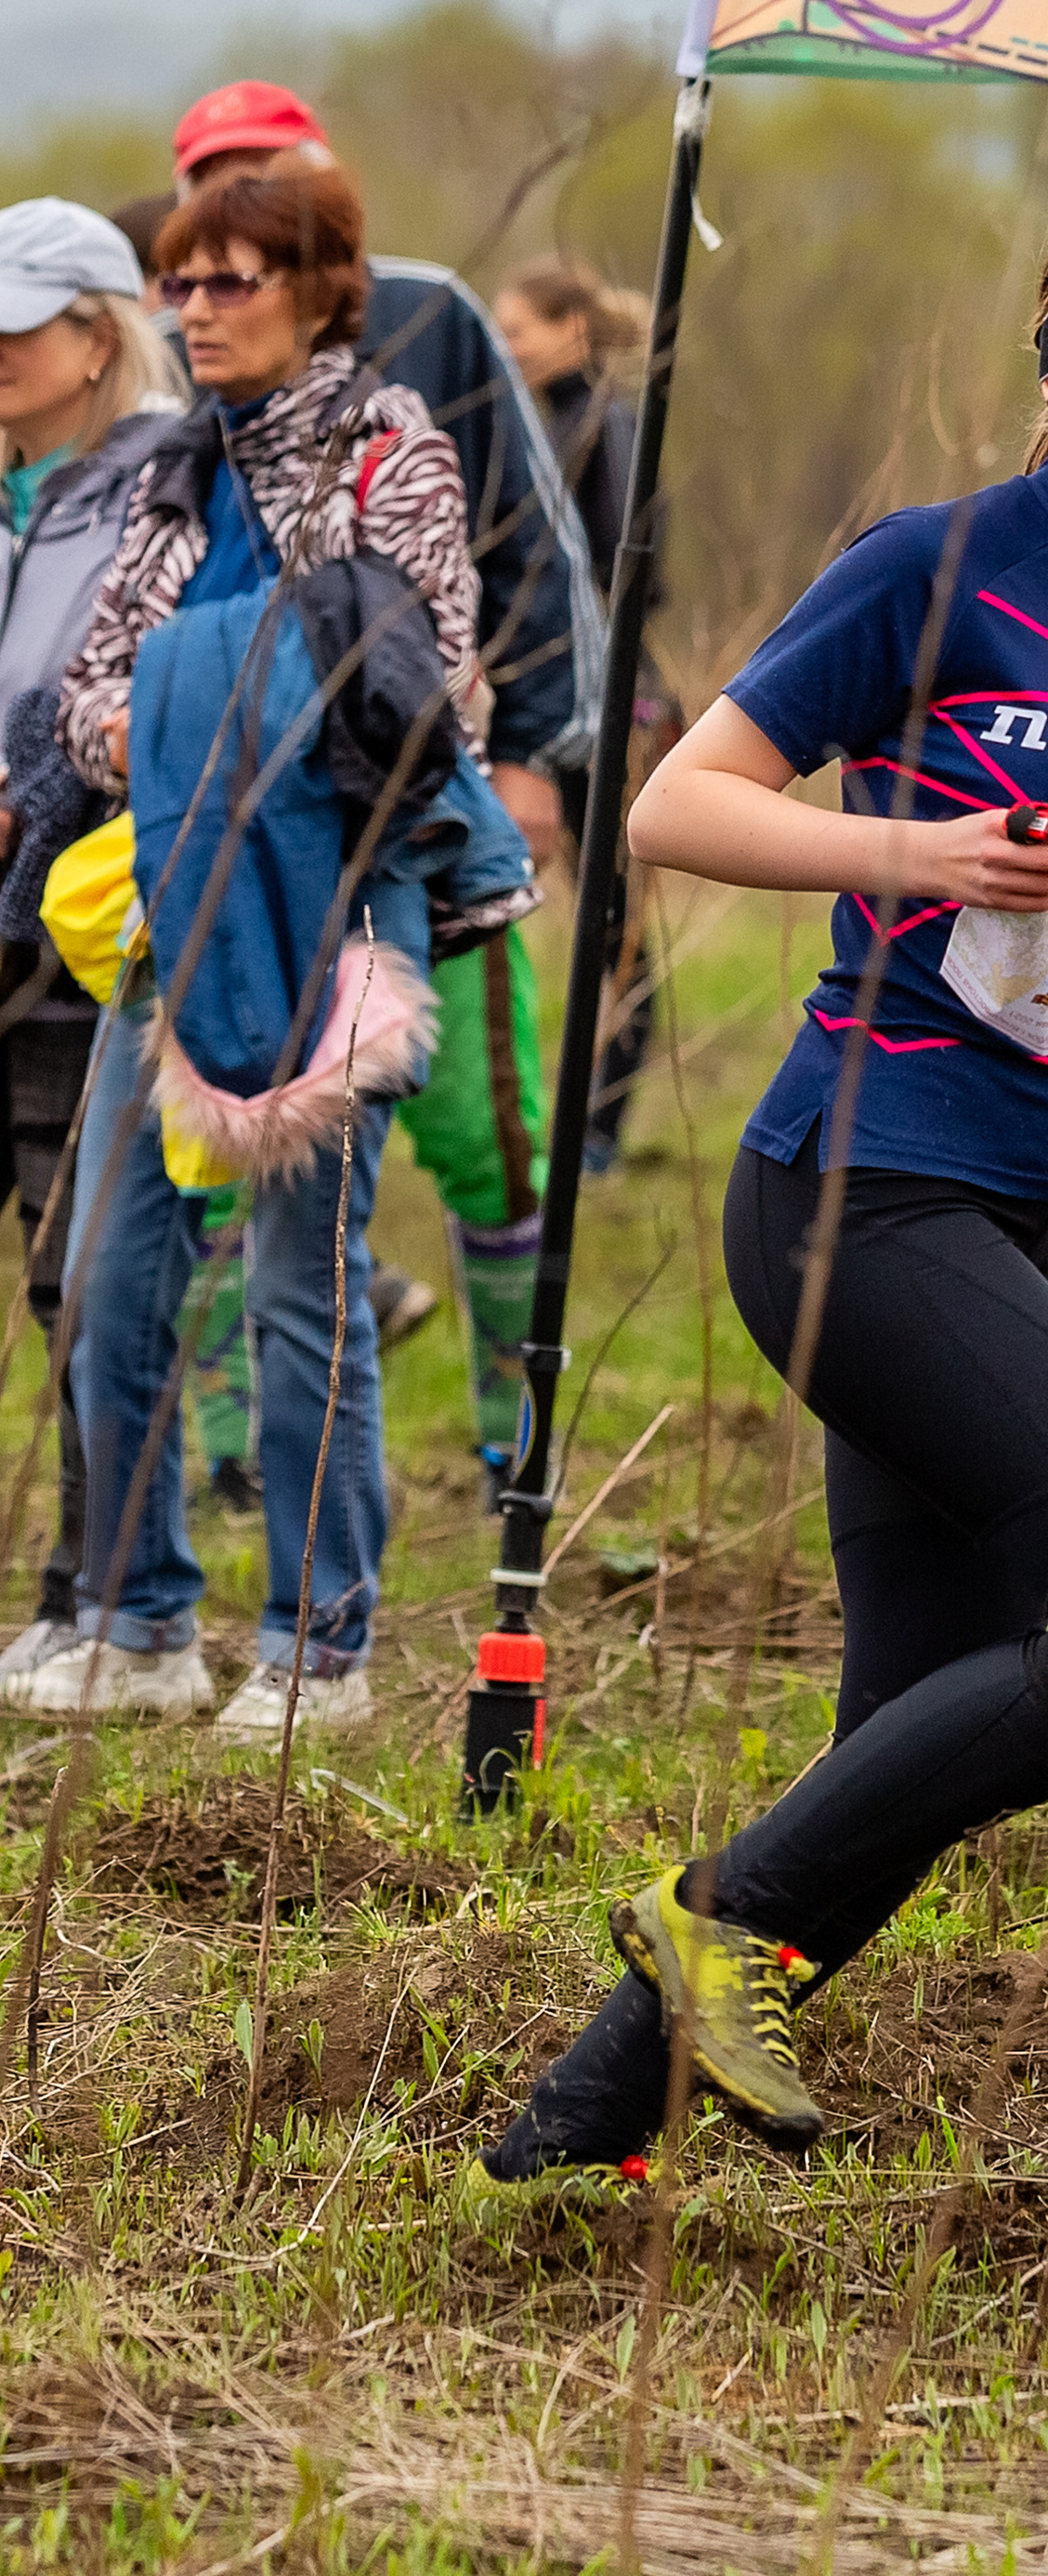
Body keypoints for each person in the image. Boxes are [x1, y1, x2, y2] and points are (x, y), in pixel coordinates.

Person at [471, 175, 1048, 2193]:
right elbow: (672, 805)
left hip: (1022, 1212)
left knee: (905, 1724)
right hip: (853, 1191)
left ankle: (568, 2141)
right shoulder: (939, 568)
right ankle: (709, 1913)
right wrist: (924, 858)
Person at [2, 155, 508, 1733]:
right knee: (109, 1269)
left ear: (318, 291)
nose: (196, 308)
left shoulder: (386, 450)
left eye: (231, 279)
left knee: (307, 1281)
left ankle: (318, 1643)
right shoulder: (179, 467)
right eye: (182, 279)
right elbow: (89, 696)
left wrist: (197, 703)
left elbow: (426, 690)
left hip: (334, 909)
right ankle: (141, 1619)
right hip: (170, 905)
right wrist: (221, 703)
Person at [168, 85, 604, 1492]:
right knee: (240, 1121)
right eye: (210, 191)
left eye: (265, 183)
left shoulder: (428, 321)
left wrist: (536, 753)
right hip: (237, 837)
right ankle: (240, 1451)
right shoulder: (187, 348)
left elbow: (529, 542)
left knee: (489, 1133)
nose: (234, 233)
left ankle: (512, 1443)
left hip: (431, 808)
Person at [0, 203, 183, 1689]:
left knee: (85, 1270)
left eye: (25, 319)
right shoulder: (13, 486)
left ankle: (101, 1592)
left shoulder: (159, 491)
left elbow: (136, 702)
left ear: (102, 333)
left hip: (83, 924)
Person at [494, 253, 675, 1173]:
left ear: (570, 329)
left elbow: (634, 576)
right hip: (545, 700)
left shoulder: (606, 427)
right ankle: (541, 1118)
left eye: (516, 329)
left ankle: (598, 1128)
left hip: (610, 706)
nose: (503, 344)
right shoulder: (527, 424)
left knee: (616, 927)